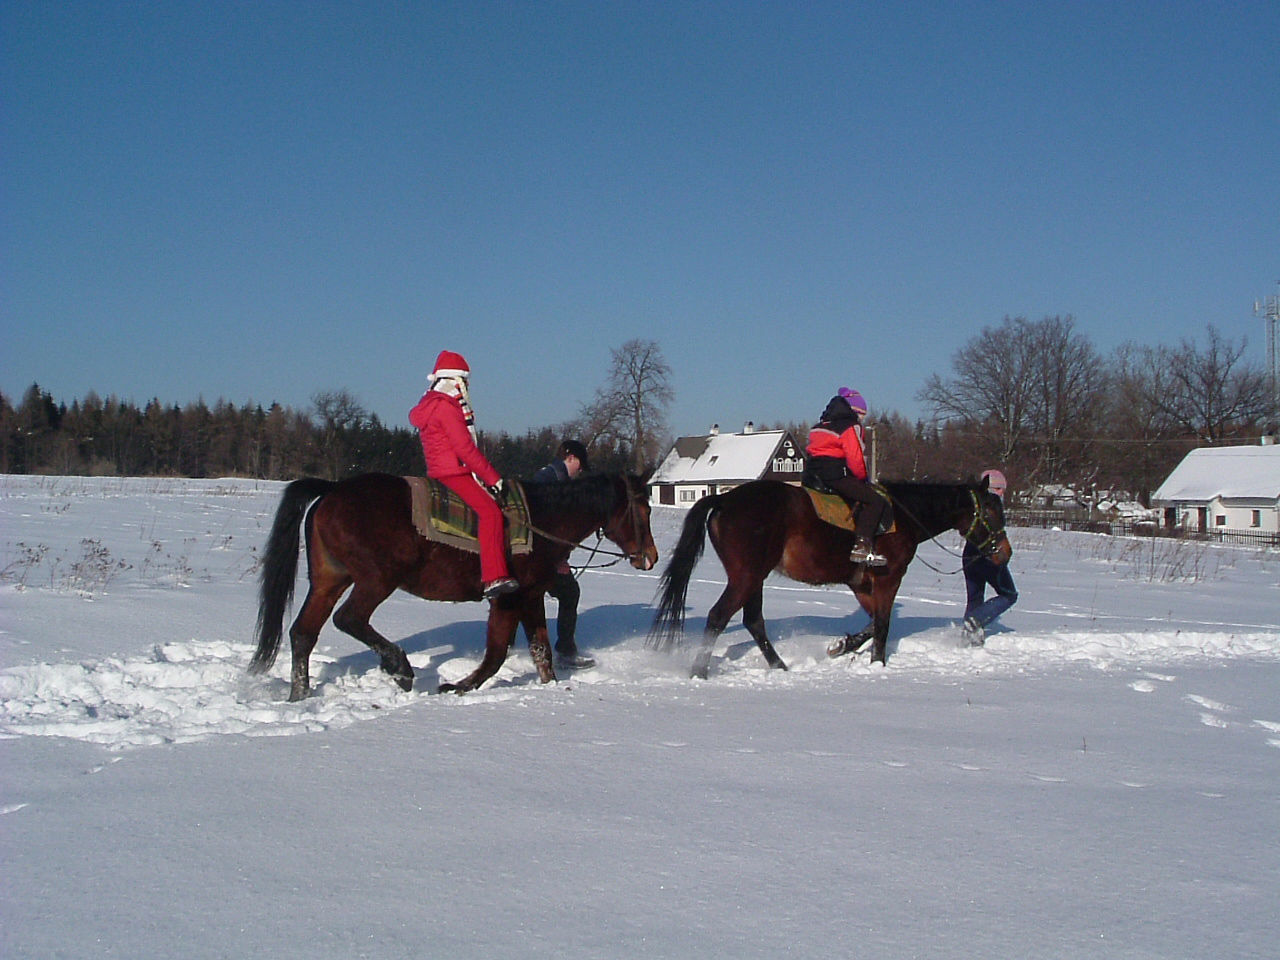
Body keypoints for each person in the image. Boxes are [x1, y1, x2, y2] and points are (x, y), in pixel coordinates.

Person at [408, 350, 518, 600]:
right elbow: (464, 448)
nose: (467, 386)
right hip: (454, 473)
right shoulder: (448, 407)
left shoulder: (429, 405)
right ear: (456, 380)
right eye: (465, 381)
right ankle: (494, 576)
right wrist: (493, 478)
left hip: (437, 470)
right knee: (491, 513)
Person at [803, 387, 888, 565]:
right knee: (875, 501)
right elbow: (855, 457)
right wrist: (863, 479)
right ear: (853, 411)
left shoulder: (820, 426)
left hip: (812, 474)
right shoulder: (850, 426)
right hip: (836, 474)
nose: (862, 419)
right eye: (862, 414)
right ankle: (862, 545)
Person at [532, 439, 595, 669]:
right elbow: (544, 525)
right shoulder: (548, 482)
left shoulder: (554, 479)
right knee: (569, 592)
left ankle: (509, 647)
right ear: (570, 458)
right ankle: (565, 652)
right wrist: (557, 560)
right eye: (579, 464)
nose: (580, 470)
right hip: (540, 559)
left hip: (545, 558)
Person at [962, 468, 1018, 645]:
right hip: (989, 556)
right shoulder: (992, 506)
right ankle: (975, 621)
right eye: (1000, 488)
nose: (1002, 493)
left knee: (975, 597)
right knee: (1009, 594)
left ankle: (970, 639)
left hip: (969, 554)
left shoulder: (973, 507)